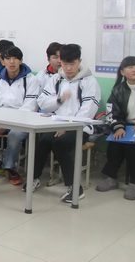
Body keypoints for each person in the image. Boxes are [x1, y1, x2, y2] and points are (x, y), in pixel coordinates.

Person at [26, 44, 101, 202]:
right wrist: (59, 100)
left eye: (72, 64)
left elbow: (88, 111)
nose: (68, 68)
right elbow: (43, 102)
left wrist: (67, 126)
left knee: (59, 144)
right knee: (43, 141)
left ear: (79, 61)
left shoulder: (89, 82)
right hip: (56, 124)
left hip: (81, 128)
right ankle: (34, 178)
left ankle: (75, 188)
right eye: (65, 64)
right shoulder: (56, 79)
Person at [0, 46, 39, 185]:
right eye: (8, 59)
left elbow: (29, 107)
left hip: (21, 121)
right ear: (3, 61)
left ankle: (9, 168)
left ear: (21, 61)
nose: (11, 62)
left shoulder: (30, 80)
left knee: (14, 135)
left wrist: (6, 125)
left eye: (15, 58)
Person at [95, 56, 135, 200]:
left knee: (133, 146)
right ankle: (111, 178)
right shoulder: (118, 90)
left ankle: (134, 183)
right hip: (126, 125)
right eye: (131, 67)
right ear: (123, 72)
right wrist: (118, 127)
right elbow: (111, 113)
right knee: (115, 142)